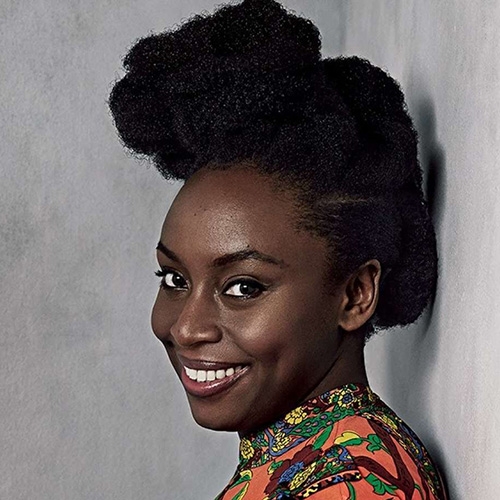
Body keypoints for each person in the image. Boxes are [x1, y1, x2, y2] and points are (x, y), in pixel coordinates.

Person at [109, 0, 447, 498]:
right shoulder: (305, 458)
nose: (185, 327)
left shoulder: (355, 484)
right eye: (175, 279)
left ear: (355, 294)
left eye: (243, 287)